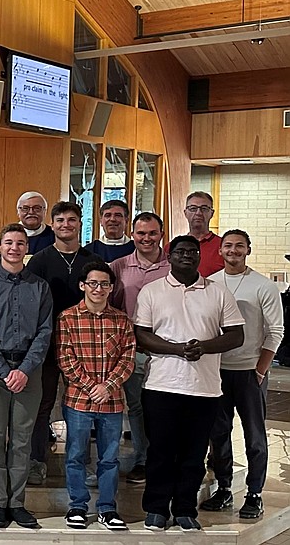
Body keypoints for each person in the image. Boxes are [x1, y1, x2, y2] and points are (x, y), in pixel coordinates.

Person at [134, 235, 244, 532]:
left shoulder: (218, 293)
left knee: (194, 454)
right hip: (161, 385)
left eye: (192, 252)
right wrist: (178, 349)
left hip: (204, 388)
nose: (187, 256)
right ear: (168, 256)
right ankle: (156, 509)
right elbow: (141, 334)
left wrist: (203, 347)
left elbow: (236, 335)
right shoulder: (152, 291)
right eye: (180, 251)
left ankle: (184, 508)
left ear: (199, 257)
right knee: (160, 452)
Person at [0, 224, 52, 529]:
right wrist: (6, 371)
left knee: (22, 440)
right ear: (0, 245)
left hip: (29, 371)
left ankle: (16, 502)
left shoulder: (40, 287)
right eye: (8, 243)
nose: (14, 248)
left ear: (26, 248)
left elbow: (45, 332)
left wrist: (24, 370)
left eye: (20, 243)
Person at [201, 229, 284, 520]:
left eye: (239, 246)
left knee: (254, 435)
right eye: (228, 246)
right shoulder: (211, 283)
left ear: (248, 250)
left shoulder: (263, 286)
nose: (233, 250)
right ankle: (224, 488)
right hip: (218, 371)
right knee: (218, 433)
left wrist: (261, 369)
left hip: (250, 371)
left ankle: (254, 494)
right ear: (220, 251)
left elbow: (275, 331)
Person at [56, 262, 134, 531]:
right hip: (78, 399)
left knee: (109, 458)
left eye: (104, 284)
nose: (98, 289)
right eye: (93, 283)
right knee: (76, 454)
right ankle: (77, 505)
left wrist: (108, 386)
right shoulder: (67, 317)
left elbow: (128, 358)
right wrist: (91, 387)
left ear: (111, 288)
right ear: (82, 285)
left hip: (111, 401)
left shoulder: (121, 320)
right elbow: (65, 358)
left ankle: (107, 508)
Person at [25, 201, 96, 485]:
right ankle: (36, 461)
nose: (66, 225)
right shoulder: (40, 260)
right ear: (52, 225)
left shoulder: (92, 261)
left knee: (82, 405)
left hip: (84, 346)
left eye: (71, 220)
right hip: (48, 345)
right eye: (60, 220)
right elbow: (31, 306)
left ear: (80, 224)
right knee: (42, 404)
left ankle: (81, 462)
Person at [109, 211, 169, 484]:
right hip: (133, 350)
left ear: (161, 235)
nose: (146, 238)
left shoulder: (172, 267)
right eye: (141, 233)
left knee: (163, 407)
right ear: (132, 235)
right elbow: (111, 307)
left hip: (167, 350)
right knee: (136, 406)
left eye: (152, 233)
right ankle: (143, 459)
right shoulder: (119, 266)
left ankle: (165, 457)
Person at [184, 191, 224, 277]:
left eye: (204, 208)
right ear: (185, 213)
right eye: (193, 208)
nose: (198, 213)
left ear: (212, 213)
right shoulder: (172, 247)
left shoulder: (224, 246)